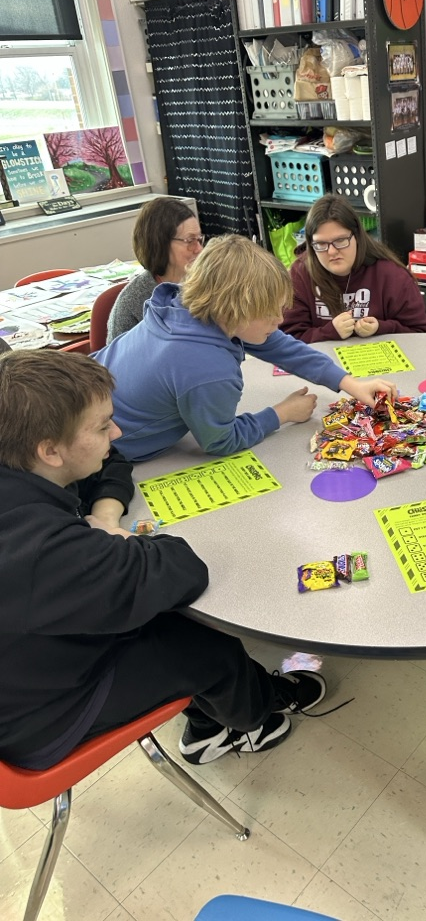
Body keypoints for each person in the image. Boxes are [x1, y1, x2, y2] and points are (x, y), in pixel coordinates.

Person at [0, 351, 326, 770]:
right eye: (102, 427)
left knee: (162, 618)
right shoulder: (45, 553)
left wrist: (104, 513)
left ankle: (208, 722)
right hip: (40, 718)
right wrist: (111, 544)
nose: (116, 432)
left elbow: (112, 461)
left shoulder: (20, 460)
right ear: (49, 451)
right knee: (205, 647)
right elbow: (181, 568)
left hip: (36, 653)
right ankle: (255, 719)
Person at [93, 234, 397, 462]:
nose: (279, 321)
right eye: (271, 313)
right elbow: (219, 441)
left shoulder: (188, 306)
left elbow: (279, 345)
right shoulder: (208, 368)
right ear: (234, 311)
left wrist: (349, 383)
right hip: (109, 452)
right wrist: (282, 413)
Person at [281, 194, 426, 342]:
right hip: (321, 364)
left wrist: (382, 328)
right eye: (321, 244)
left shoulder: (392, 275)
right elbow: (286, 338)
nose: (332, 251)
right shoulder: (300, 274)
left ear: (357, 236)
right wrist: (329, 332)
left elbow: (422, 333)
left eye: (340, 240)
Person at [107, 196, 204, 343]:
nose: (199, 249)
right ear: (160, 243)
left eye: (199, 239)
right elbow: (117, 363)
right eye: (190, 241)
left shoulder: (205, 283)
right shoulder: (133, 303)